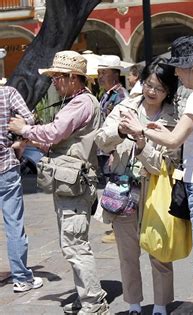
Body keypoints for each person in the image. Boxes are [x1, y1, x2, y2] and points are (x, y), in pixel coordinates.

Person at [122, 35, 193, 314]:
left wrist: (141, 128)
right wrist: (161, 131)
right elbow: (181, 135)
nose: (177, 75)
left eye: (179, 69)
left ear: (191, 67)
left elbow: (174, 142)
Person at [8, 50, 108, 315]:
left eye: (57, 77)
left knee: (75, 245)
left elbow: (54, 132)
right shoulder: (79, 101)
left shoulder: (80, 104)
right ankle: (87, 295)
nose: (54, 82)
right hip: (70, 182)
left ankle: (93, 302)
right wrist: (30, 139)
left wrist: (24, 130)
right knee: (72, 243)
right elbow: (58, 140)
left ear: (73, 78)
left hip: (74, 183)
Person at [95, 58, 178, 315]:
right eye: (148, 84)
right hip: (124, 191)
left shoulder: (173, 118)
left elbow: (165, 163)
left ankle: (161, 305)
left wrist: (141, 143)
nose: (152, 91)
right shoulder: (124, 108)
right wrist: (119, 132)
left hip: (156, 192)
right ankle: (133, 304)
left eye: (159, 88)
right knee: (128, 254)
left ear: (169, 92)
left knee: (159, 252)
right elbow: (101, 140)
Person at [0, 86, 43, 293]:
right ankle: (21, 278)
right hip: (6, 165)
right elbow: (29, 120)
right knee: (14, 224)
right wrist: (19, 143)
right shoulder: (7, 93)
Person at [96, 55, 129, 244]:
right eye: (99, 73)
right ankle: (115, 226)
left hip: (113, 150)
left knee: (117, 187)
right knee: (111, 186)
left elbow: (121, 127)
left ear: (115, 74)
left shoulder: (120, 96)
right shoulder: (107, 95)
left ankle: (119, 227)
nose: (100, 77)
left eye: (104, 73)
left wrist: (114, 151)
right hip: (105, 149)